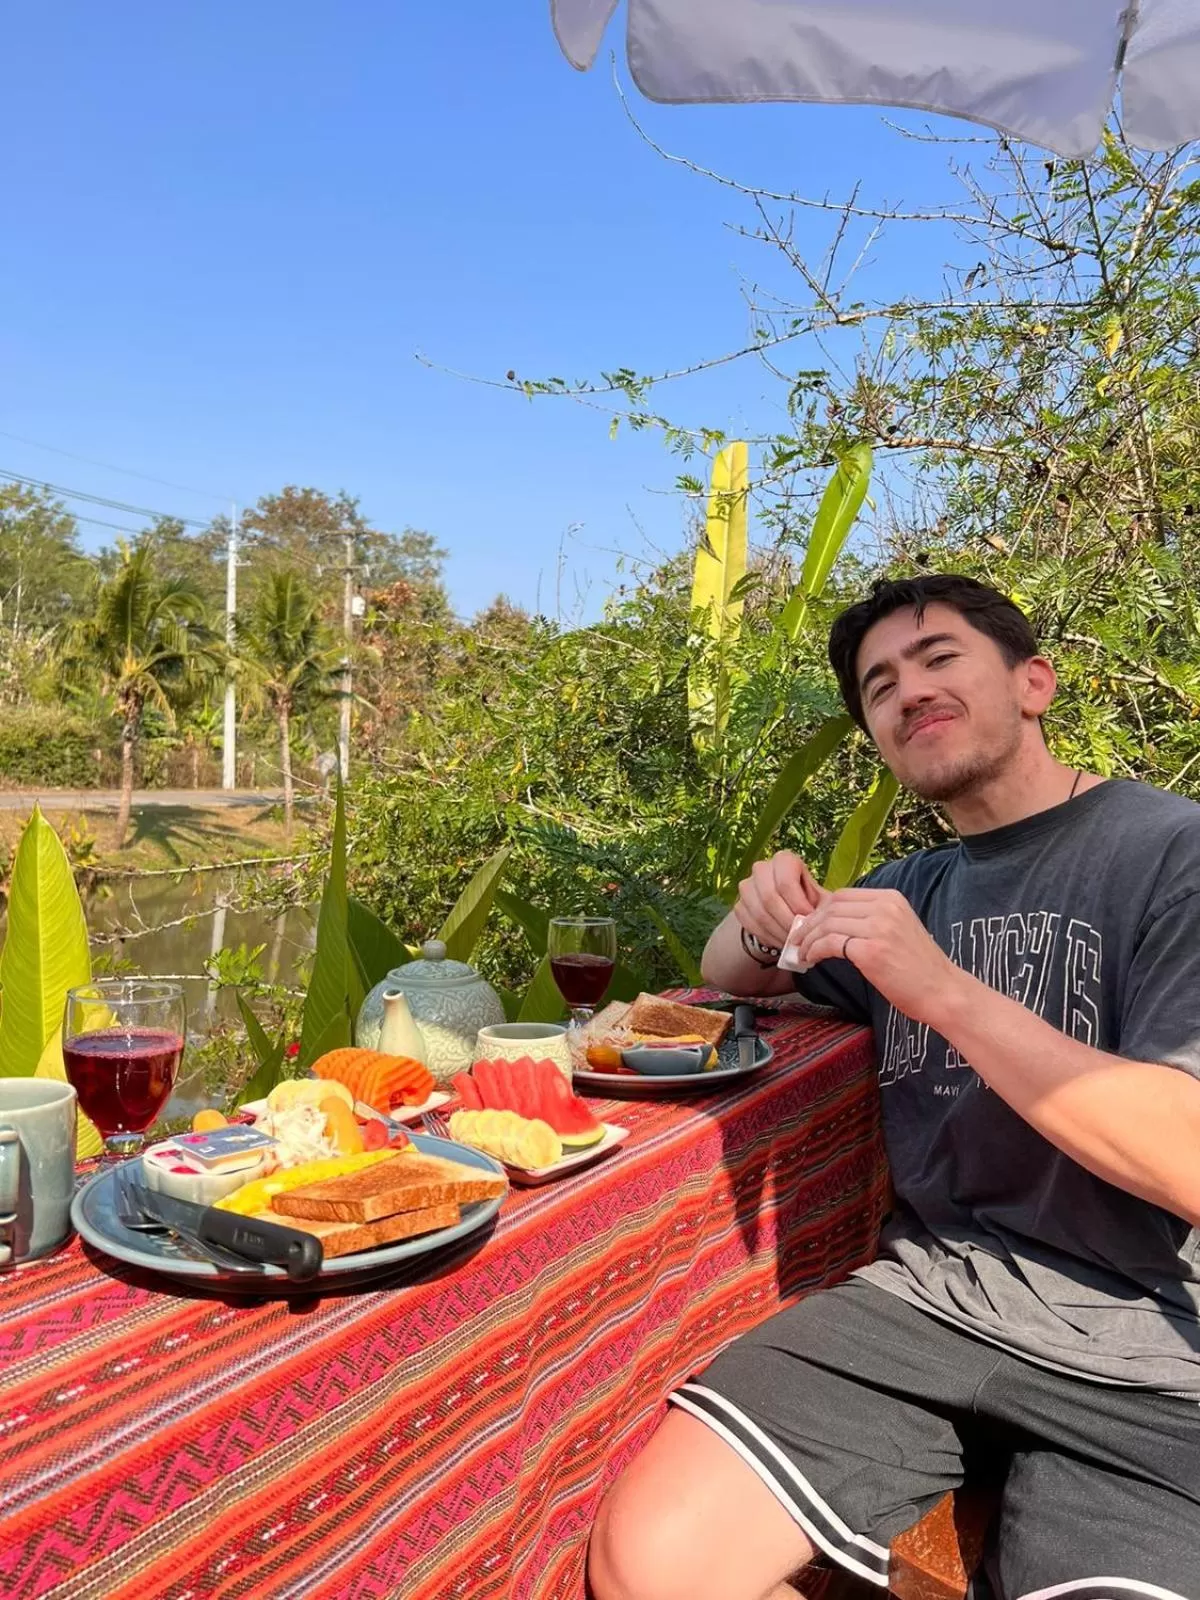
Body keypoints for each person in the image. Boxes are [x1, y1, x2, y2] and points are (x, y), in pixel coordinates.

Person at [588, 575, 1200, 1600]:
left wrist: (942, 990)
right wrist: (755, 913)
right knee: (649, 1562)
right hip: (926, 1303)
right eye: (878, 684)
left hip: (1156, 1356)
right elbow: (732, 968)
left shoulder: (1172, 853)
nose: (907, 690)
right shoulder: (913, 890)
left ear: (1035, 681)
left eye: (938, 657)